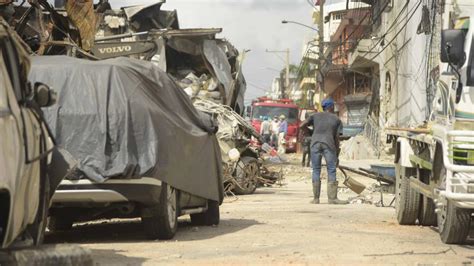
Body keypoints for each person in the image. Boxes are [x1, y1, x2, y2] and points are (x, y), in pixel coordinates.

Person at [300, 98, 347, 205]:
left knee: (316, 169)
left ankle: (316, 199)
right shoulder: (336, 119)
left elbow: (301, 125)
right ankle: (332, 198)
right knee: (331, 169)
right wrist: (337, 153)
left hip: (315, 144)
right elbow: (336, 138)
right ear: (331, 107)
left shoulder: (315, 116)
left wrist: (311, 133)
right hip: (329, 144)